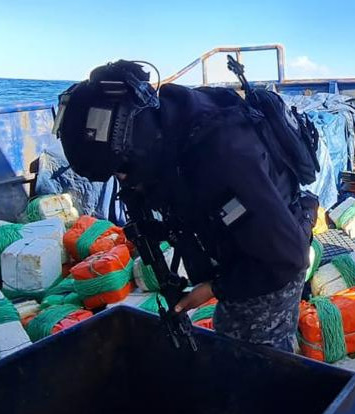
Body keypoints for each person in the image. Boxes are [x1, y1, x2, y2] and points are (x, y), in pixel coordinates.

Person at [55, 60, 318, 352]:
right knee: (228, 336)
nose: (123, 179)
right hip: (241, 238)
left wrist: (213, 289)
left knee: (253, 352)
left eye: (122, 170)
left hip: (274, 256)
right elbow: (188, 198)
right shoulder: (162, 127)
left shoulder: (222, 155)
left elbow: (287, 258)